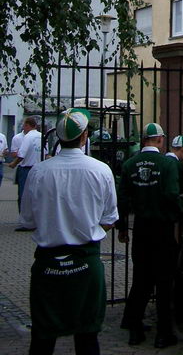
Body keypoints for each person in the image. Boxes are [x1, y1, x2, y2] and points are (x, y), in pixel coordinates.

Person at [19, 107, 118, 355]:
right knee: (87, 337)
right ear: (84, 136)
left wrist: (54, 223)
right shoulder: (101, 170)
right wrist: (86, 227)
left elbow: (28, 221)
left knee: (43, 338)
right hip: (86, 261)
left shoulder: (40, 172)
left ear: (58, 137)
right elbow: (109, 218)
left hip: (48, 263)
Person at [117, 122, 182, 348]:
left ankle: (134, 330)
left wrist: (123, 227)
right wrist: (177, 214)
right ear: (160, 140)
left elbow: (123, 199)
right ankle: (163, 334)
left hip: (141, 228)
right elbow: (172, 194)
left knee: (140, 281)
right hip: (162, 229)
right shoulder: (167, 164)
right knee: (164, 283)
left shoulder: (129, 164)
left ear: (143, 139)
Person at [9, 117, 45, 225]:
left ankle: (24, 220)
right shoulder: (41, 136)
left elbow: (21, 154)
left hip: (26, 169)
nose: (23, 128)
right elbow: (45, 152)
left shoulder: (28, 137)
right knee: (37, 195)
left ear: (27, 125)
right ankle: (37, 219)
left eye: (24, 125)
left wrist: (13, 163)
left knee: (23, 196)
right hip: (39, 168)